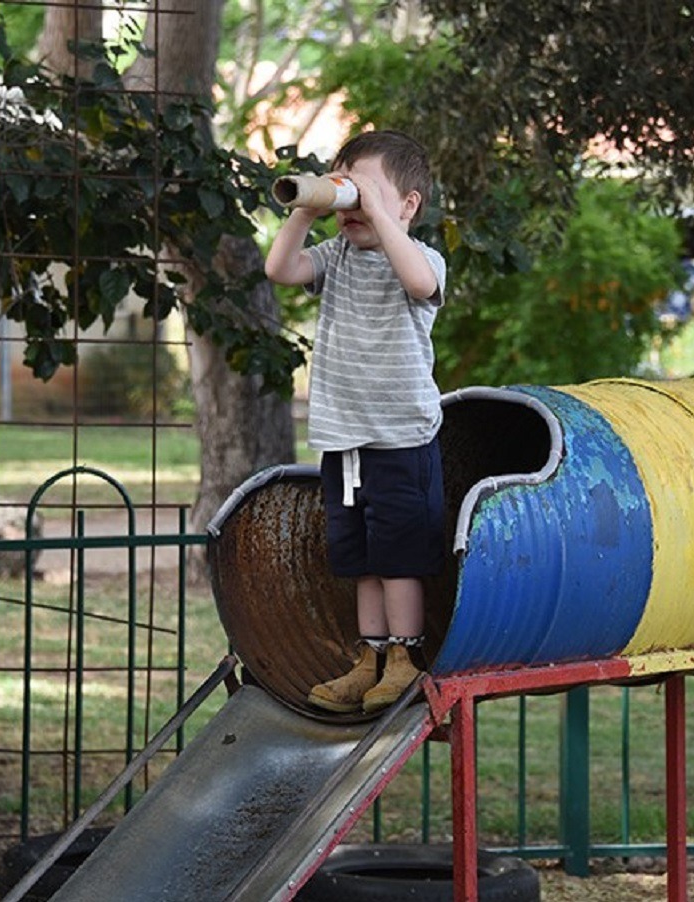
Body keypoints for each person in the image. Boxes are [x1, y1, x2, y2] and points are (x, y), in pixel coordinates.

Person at [264, 130, 448, 714]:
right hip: (344, 443)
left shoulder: (421, 260)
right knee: (360, 559)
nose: (354, 206)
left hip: (400, 438)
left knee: (399, 559)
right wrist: (309, 206)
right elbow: (279, 268)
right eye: (346, 190)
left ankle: (404, 659)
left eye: (365, 190)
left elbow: (420, 282)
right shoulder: (335, 257)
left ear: (409, 205)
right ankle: (367, 658)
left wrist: (379, 212)